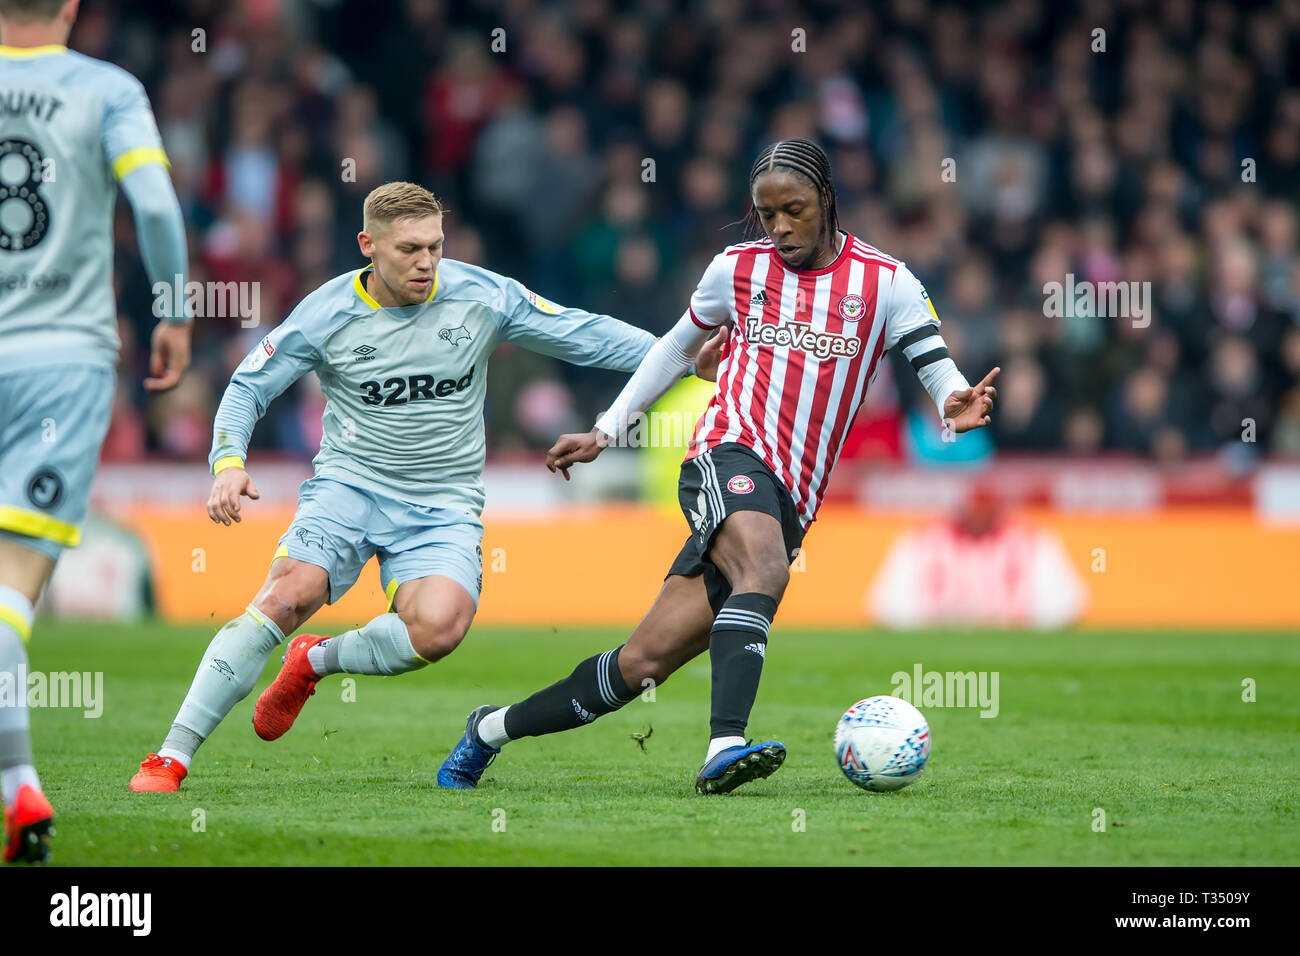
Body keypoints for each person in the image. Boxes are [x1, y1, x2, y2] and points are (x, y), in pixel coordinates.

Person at [439, 139, 999, 795]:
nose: (781, 227)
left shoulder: (886, 281)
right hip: (723, 453)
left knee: (639, 665)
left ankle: (487, 730)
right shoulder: (736, 269)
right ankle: (724, 747)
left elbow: (933, 361)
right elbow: (675, 350)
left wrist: (951, 399)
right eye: (767, 215)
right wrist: (605, 430)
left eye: (794, 210)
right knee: (763, 568)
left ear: (827, 200)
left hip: (792, 497)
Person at [127, 180, 719, 793]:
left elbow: (581, 331)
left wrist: (677, 354)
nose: (426, 262)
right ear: (368, 245)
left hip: (442, 503)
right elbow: (249, 385)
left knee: (439, 630)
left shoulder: (481, 295)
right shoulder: (326, 312)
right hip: (348, 487)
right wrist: (228, 461)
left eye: (435, 246)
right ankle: (170, 756)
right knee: (285, 597)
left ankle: (314, 660)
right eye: (409, 248)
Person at [0, 0, 192, 862]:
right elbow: (152, 205)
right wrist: (176, 310)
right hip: (62, 362)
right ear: (71, 7)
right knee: (11, 590)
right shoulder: (108, 89)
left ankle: (15, 785)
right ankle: (16, 789)